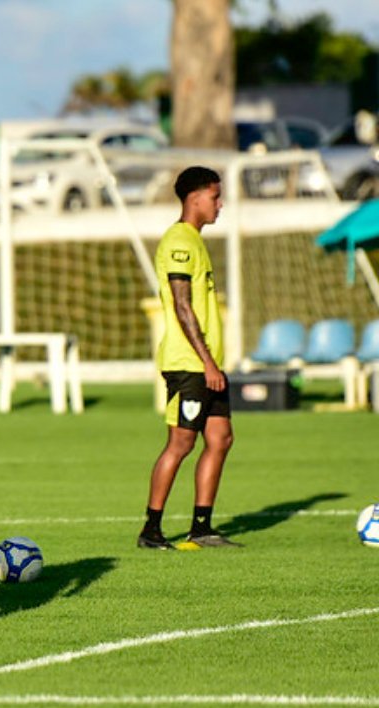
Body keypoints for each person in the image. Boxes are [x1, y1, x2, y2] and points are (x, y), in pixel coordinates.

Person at [139, 166, 239, 551]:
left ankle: (202, 527)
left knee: (220, 438)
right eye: (215, 196)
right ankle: (151, 530)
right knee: (181, 443)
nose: (220, 204)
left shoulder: (195, 241)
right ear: (195, 198)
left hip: (207, 364)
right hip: (189, 365)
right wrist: (208, 363)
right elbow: (182, 307)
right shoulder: (179, 241)